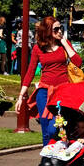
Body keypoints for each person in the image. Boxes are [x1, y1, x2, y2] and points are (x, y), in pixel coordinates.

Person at [16, 16, 73, 144]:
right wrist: (21, 96)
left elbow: (78, 62)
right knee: (46, 128)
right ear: (47, 31)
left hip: (63, 91)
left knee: (56, 126)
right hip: (44, 92)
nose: (59, 31)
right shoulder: (38, 48)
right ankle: (47, 157)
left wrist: (65, 44)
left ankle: (62, 153)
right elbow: (30, 72)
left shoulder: (64, 45)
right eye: (56, 29)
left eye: (61, 28)